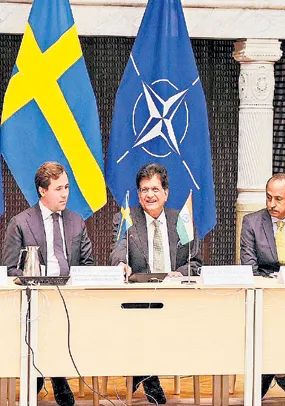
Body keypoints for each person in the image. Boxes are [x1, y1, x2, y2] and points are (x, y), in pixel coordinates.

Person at [2, 162, 93, 406]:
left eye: (67, 187)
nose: (65, 194)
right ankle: (57, 379)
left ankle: (44, 377)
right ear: (42, 191)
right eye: (58, 189)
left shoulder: (76, 222)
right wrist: (35, 278)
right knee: (44, 319)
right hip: (34, 300)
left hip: (70, 298)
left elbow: (87, 264)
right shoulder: (21, 223)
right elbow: (10, 268)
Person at [110, 163, 202, 403]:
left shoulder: (180, 221)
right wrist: (121, 264)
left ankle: (140, 372)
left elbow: (195, 262)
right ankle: (150, 378)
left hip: (174, 297)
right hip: (139, 299)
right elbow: (118, 250)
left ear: (166, 193)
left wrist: (179, 274)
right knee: (143, 319)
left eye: (154, 189)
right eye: (144, 190)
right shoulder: (127, 218)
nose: (149, 195)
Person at [240, 173, 285, 403]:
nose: (272, 204)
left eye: (278, 199)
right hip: (263, 296)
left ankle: (272, 376)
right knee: (268, 324)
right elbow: (250, 268)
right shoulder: (251, 223)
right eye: (268, 197)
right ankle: (284, 377)